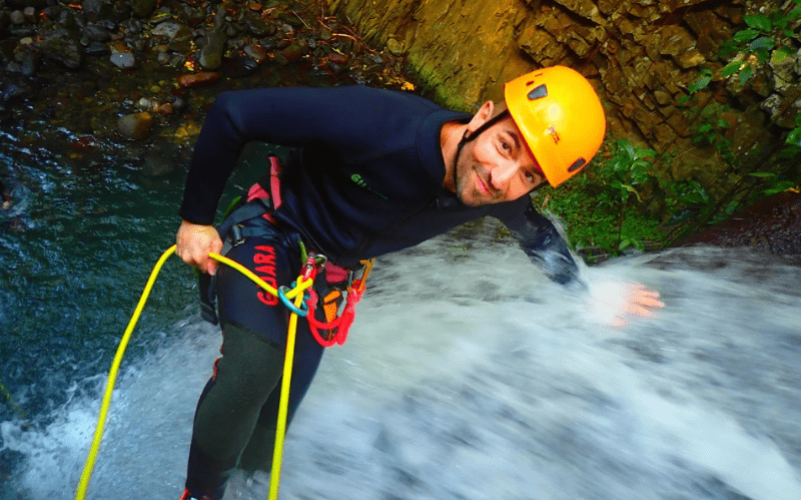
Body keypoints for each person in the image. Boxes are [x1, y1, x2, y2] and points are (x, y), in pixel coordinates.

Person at [174, 65, 663, 500]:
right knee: (256, 366)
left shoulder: (500, 190)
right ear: (483, 116)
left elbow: (536, 236)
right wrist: (196, 220)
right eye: (505, 145)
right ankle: (200, 495)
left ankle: (247, 488)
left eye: (528, 176)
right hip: (270, 229)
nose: (502, 176)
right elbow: (233, 112)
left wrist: (587, 293)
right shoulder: (380, 122)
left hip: (327, 276)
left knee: (273, 421)